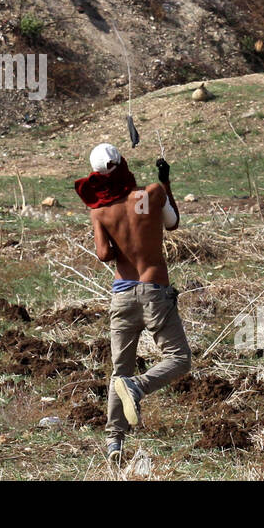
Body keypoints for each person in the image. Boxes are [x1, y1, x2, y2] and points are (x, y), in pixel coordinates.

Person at [75, 143, 191, 462]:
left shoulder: (99, 211)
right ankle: (138, 387)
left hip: (122, 294)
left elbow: (102, 254)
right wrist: (164, 180)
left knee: (119, 369)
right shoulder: (150, 194)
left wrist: (117, 246)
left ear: (97, 176)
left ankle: (114, 441)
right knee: (179, 358)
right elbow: (173, 222)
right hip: (154, 289)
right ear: (123, 164)